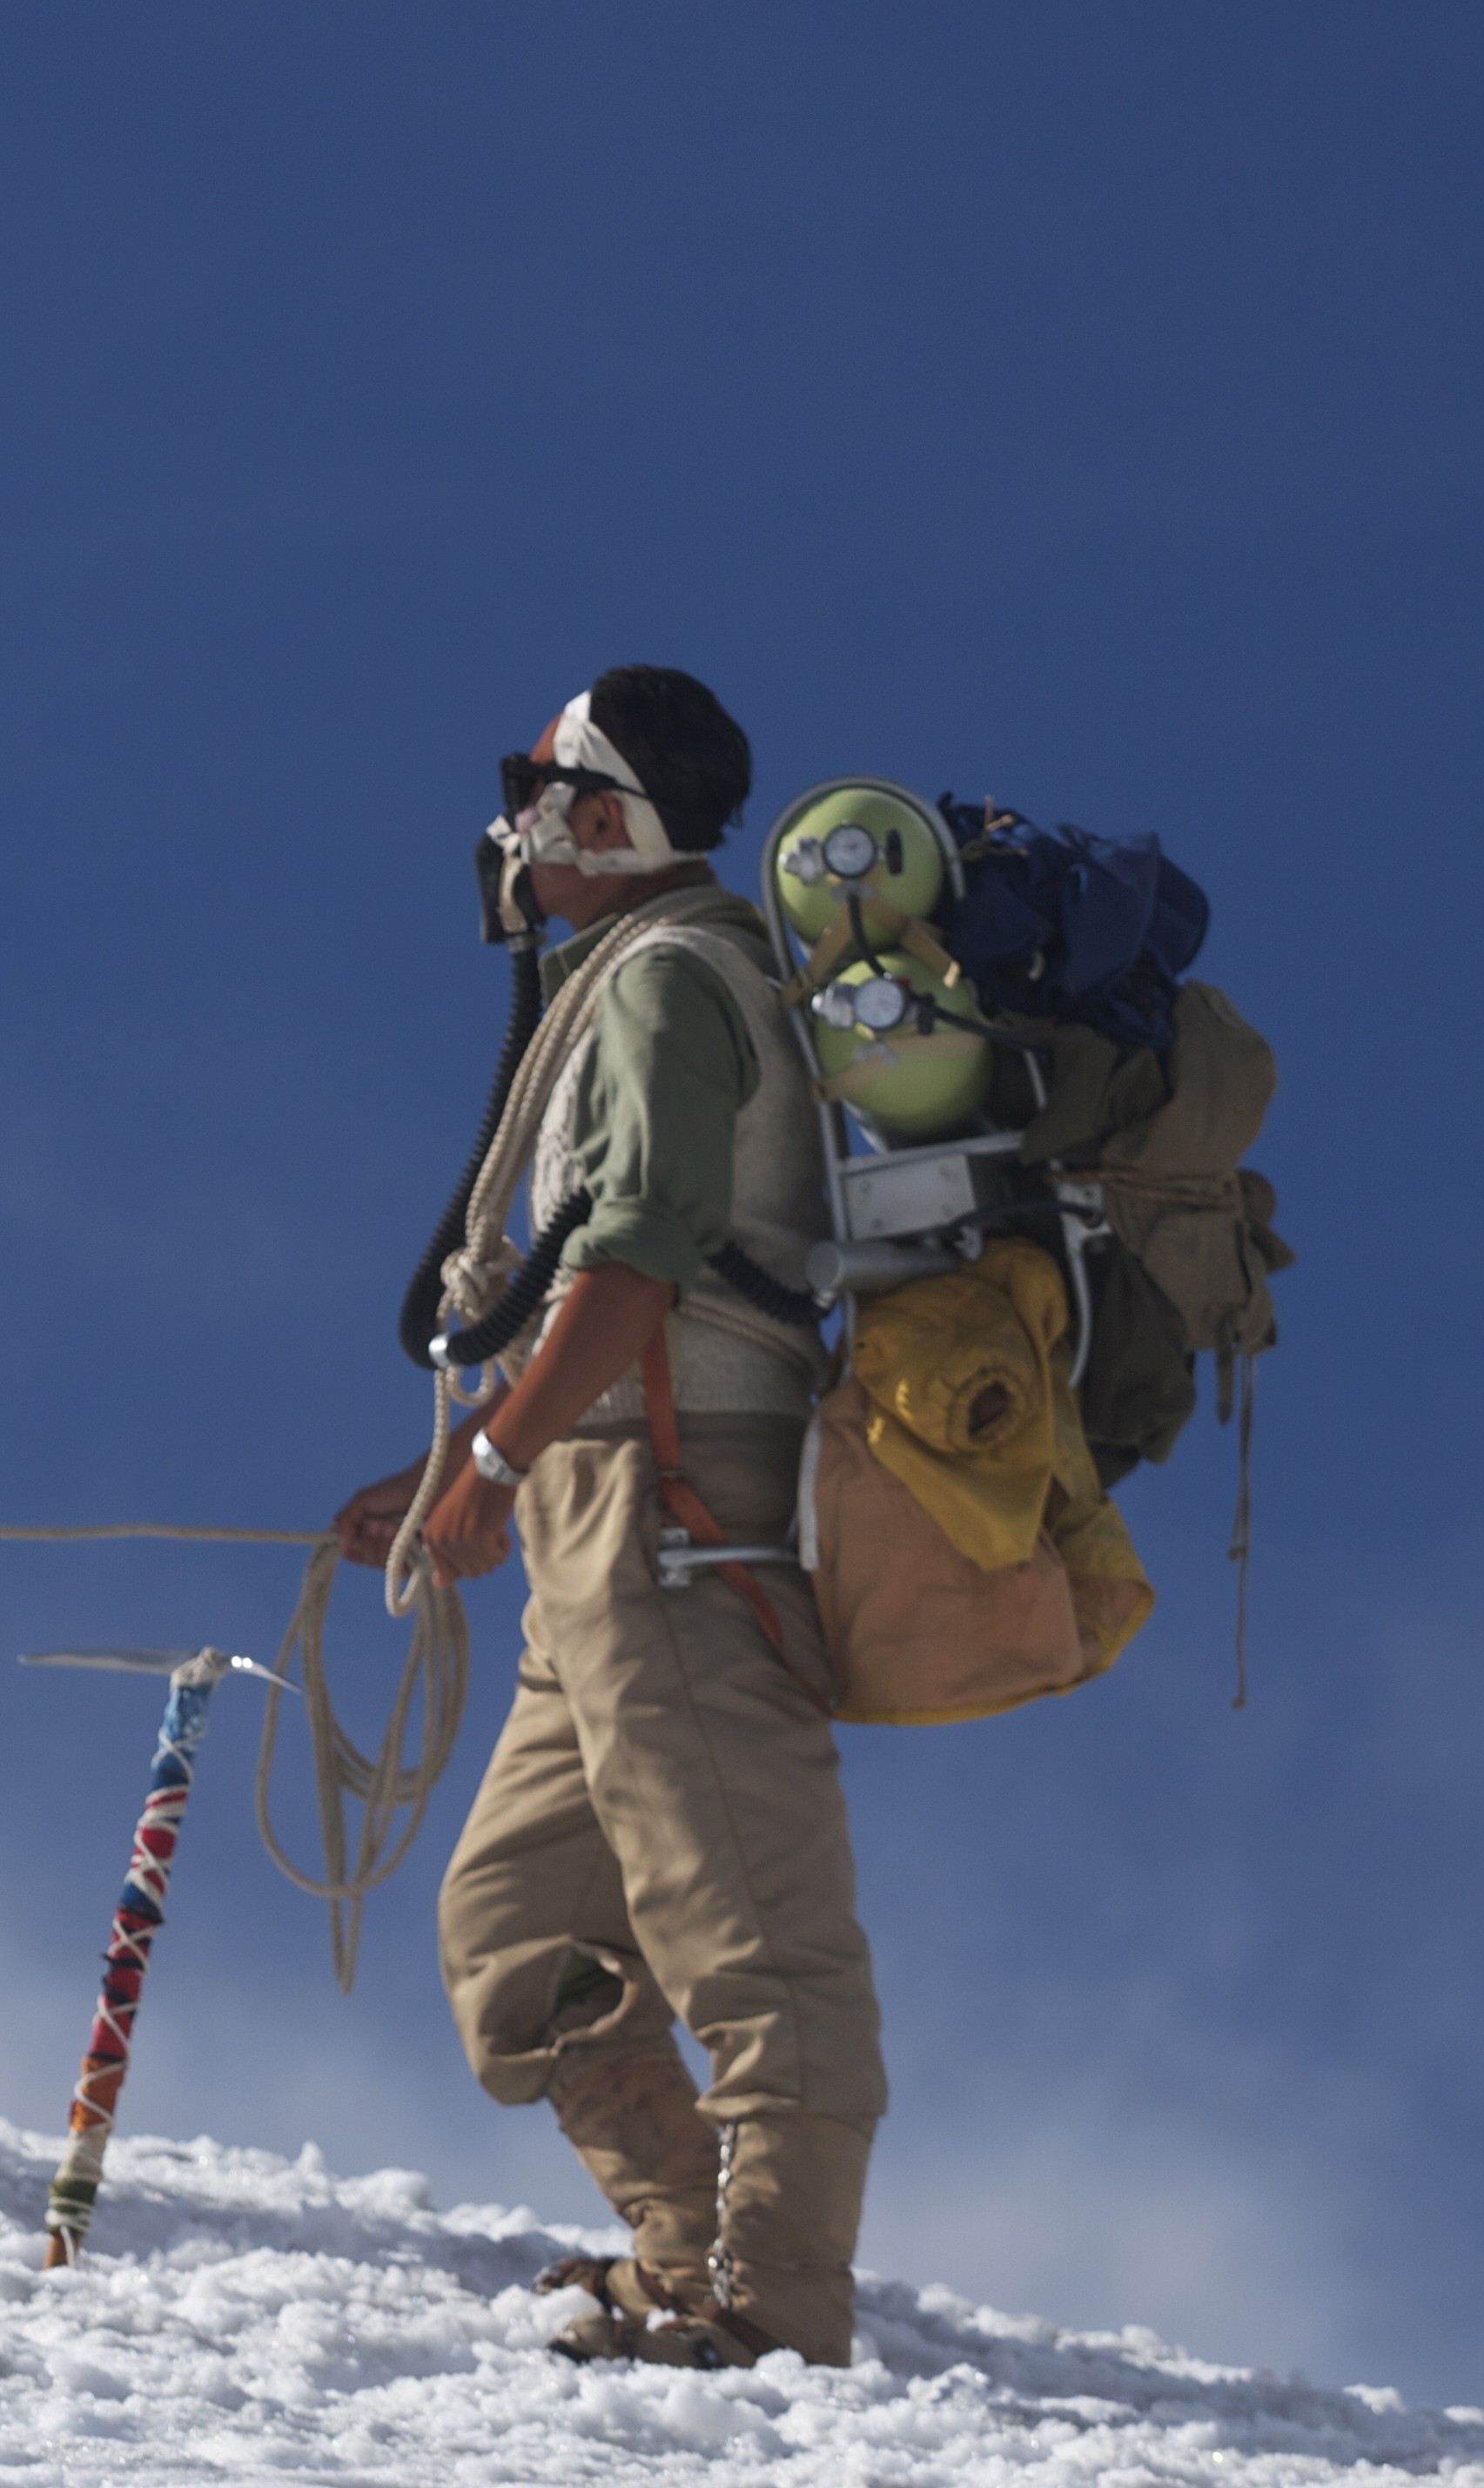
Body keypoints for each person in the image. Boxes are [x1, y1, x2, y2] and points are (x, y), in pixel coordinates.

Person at [330, 666, 880, 2370]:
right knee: (515, 1926)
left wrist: (489, 1465)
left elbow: (640, 1256)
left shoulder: (667, 980)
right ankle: (685, 2246)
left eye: (538, 790)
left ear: (599, 816)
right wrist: (476, 1472)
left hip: (671, 1494)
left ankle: (774, 2304)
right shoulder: (636, 975)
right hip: (601, 1504)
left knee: (747, 1925)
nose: (510, 829)